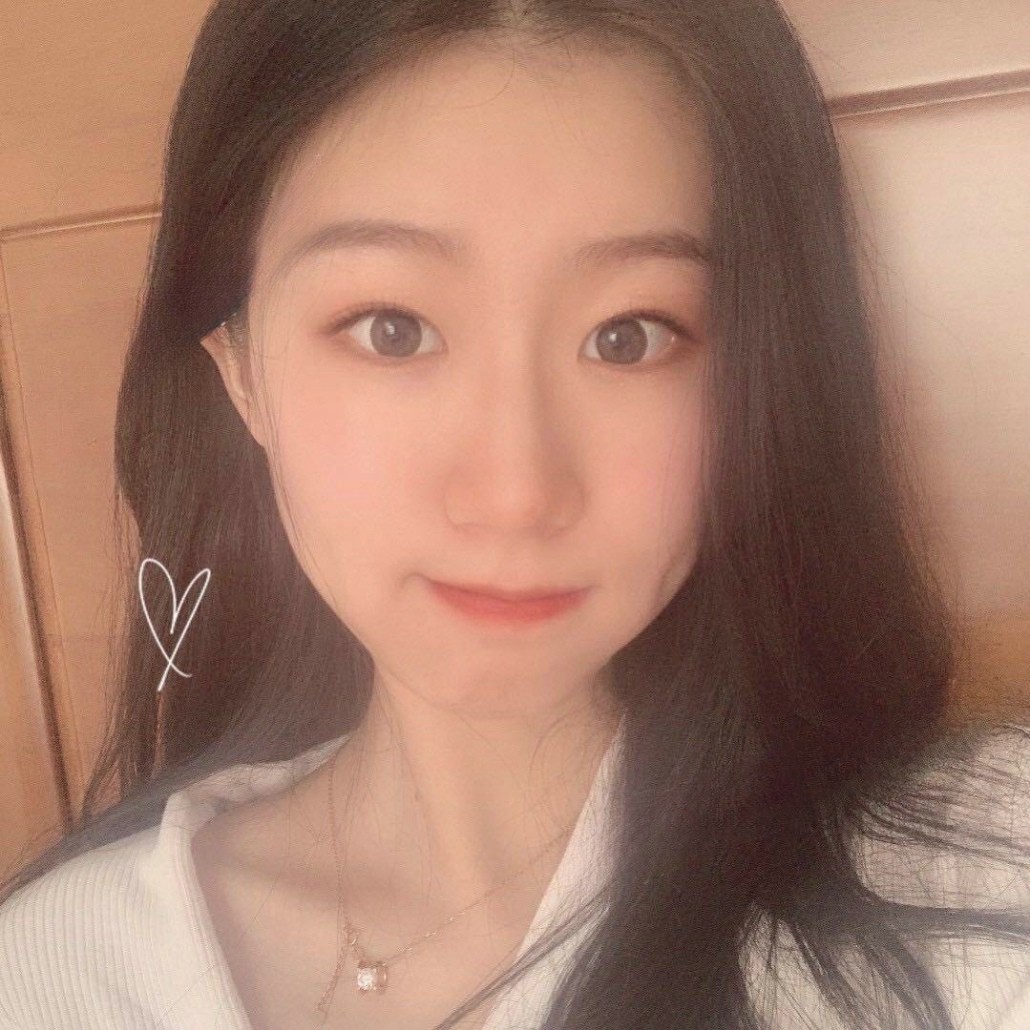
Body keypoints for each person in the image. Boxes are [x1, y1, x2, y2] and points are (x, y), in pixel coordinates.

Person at [1, 0, 1028, 1027]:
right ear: (240, 371)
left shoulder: (982, 889)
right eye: (391, 329)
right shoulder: (57, 971)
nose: (516, 494)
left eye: (629, 336)